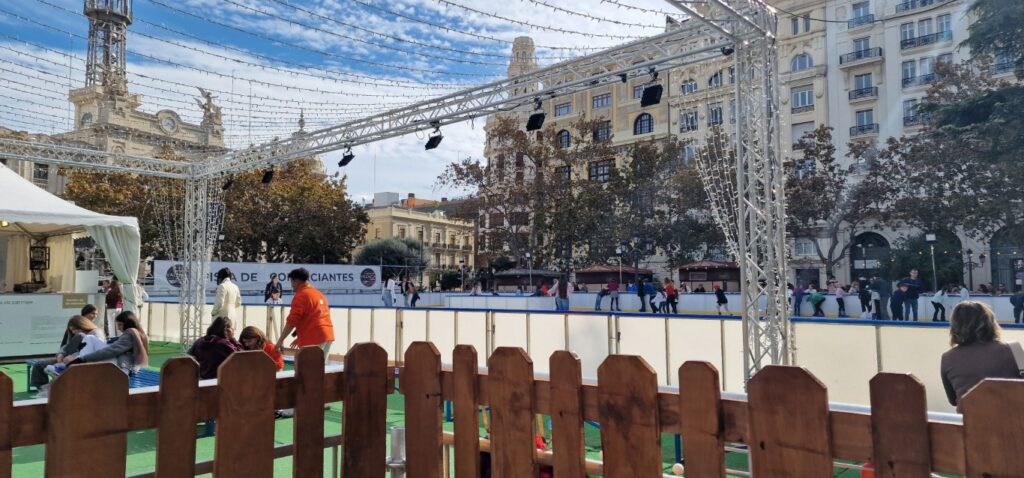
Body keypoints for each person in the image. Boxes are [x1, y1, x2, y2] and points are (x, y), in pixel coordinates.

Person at [940, 301, 1021, 412]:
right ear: (990, 322)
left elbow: (953, 400)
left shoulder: (947, 358)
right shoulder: (1013, 350)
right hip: (1013, 422)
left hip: (971, 424)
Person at [31, 314, 107, 393]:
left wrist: (75, 357)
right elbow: (66, 346)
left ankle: (53, 386)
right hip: (67, 359)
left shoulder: (95, 333)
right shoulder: (75, 335)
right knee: (39, 365)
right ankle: (41, 389)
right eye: (71, 330)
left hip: (84, 361)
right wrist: (60, 354)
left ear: (82, 325)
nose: (73, 332)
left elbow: (92, 352)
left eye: (74, 329)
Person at [276, 268, 335, 358]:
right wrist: (300, 337)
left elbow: (292, 321)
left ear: (296, 281)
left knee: (307, 369)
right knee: (320, 368)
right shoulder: (318, 294)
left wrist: (280, 341)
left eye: (291, 282)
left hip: (314, 338)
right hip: (328, 335)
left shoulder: (301, 296)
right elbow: (313, 317)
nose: (291, 286)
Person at [69, 311, 149, 376]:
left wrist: (82, 359)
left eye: (120, 325)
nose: (118, 328)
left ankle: (80, 365)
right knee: (90, 338)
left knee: (89, 338)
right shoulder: (136, 333)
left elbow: (112, 351)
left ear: (128, 323)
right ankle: (80, 363)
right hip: (127, 365)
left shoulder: (130, 334)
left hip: (121, 365)